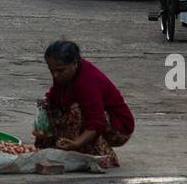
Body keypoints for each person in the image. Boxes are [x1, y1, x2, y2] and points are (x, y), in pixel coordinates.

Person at [33, 40, 134, 168]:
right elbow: (54, 97)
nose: (55, 75)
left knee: (76, 110)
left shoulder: (87, 82)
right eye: (52, 71)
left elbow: (96, 122)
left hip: (119, 127)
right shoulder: (64, 76)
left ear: (74, 64)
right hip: (96, 119)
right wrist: (42, 127)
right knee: (47, 105)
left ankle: (99, 154)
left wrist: (77, 143)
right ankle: (59, 145)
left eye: (60, 71)